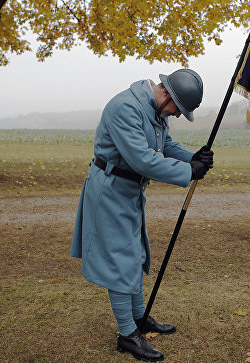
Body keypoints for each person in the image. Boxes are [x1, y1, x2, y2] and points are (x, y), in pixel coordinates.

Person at [70, 69, 214, 362]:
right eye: (178, 109)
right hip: (110, 190)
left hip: (129, 191)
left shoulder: (155, 111)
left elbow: (165, 146)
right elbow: (143, 159)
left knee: (134, 254)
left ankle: (139, 318)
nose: (176, 116)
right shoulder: (125, 108)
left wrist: (192, 157)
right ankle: (127, 335)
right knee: (120, 261)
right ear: (167, 95)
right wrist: (189, 172)